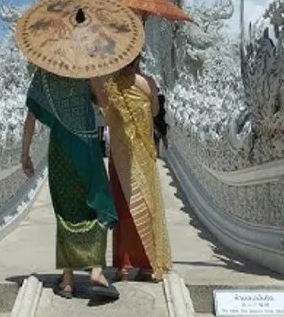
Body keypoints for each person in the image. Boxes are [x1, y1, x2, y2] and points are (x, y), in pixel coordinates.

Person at [20, 67, 120, 300]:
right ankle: (96, 270)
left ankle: (67, 281)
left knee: (65, 210)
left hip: (60, 149)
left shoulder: (44, 73)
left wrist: (25, 154)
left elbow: (30, 118)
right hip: (85, 145)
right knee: (95, 201)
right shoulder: (85, 66)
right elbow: (105, 105)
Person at [92, 54, 173, 282]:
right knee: (146, 205)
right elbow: (156, 112)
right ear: (138, 59)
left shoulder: (110, 86)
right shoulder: (148, 83)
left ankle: (124, 265)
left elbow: (104, 113)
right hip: (143, 155)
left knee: (123, 208)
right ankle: (147, 264)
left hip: (120, 158)